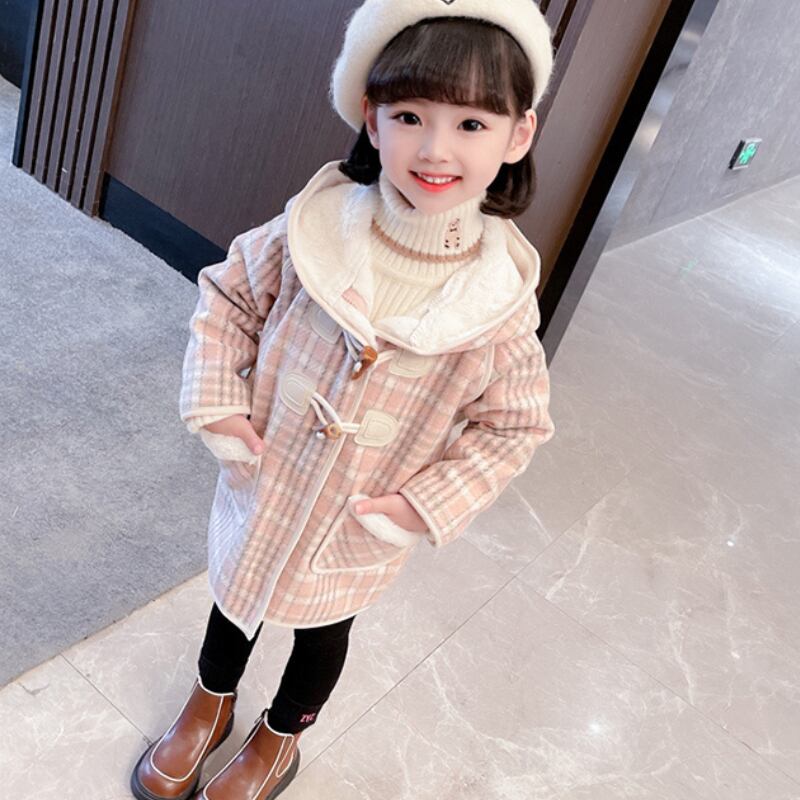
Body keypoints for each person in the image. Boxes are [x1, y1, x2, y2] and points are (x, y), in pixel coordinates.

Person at [130, 1, 557, 798]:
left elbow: (514, 424)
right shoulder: (312, 230)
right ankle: (210, 702)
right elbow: (228, 295)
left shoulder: (497, 302)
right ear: (371, 117)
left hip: (362, 514)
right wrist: (220, 402)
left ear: (517, 134)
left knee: (324, 625)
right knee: (234, 595)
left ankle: (280, 736)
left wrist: (420, 506)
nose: (435, 149)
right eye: (409, 116)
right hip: (267, 475)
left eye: (471, 124)